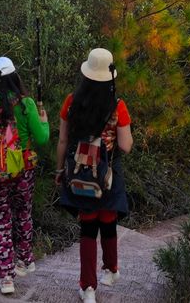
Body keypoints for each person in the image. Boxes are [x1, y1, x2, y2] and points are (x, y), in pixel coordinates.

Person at [55, 48, 133, 303]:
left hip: (80, 172)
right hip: (108, 174)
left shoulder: (71, 101)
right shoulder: (118, 106)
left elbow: (63, 140)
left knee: (88, 227)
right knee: (108, 220)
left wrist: (59, 171)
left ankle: (88, 288)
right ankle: (111, 269)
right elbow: (125, 146)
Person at [0, 56, 50, 295]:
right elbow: (42, 139)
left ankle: (6, 277)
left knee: (1, 220)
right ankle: (25, 259)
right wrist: (44, 122)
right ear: (15, 77)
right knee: (23, 213)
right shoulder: (25, 103)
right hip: (23, 170)